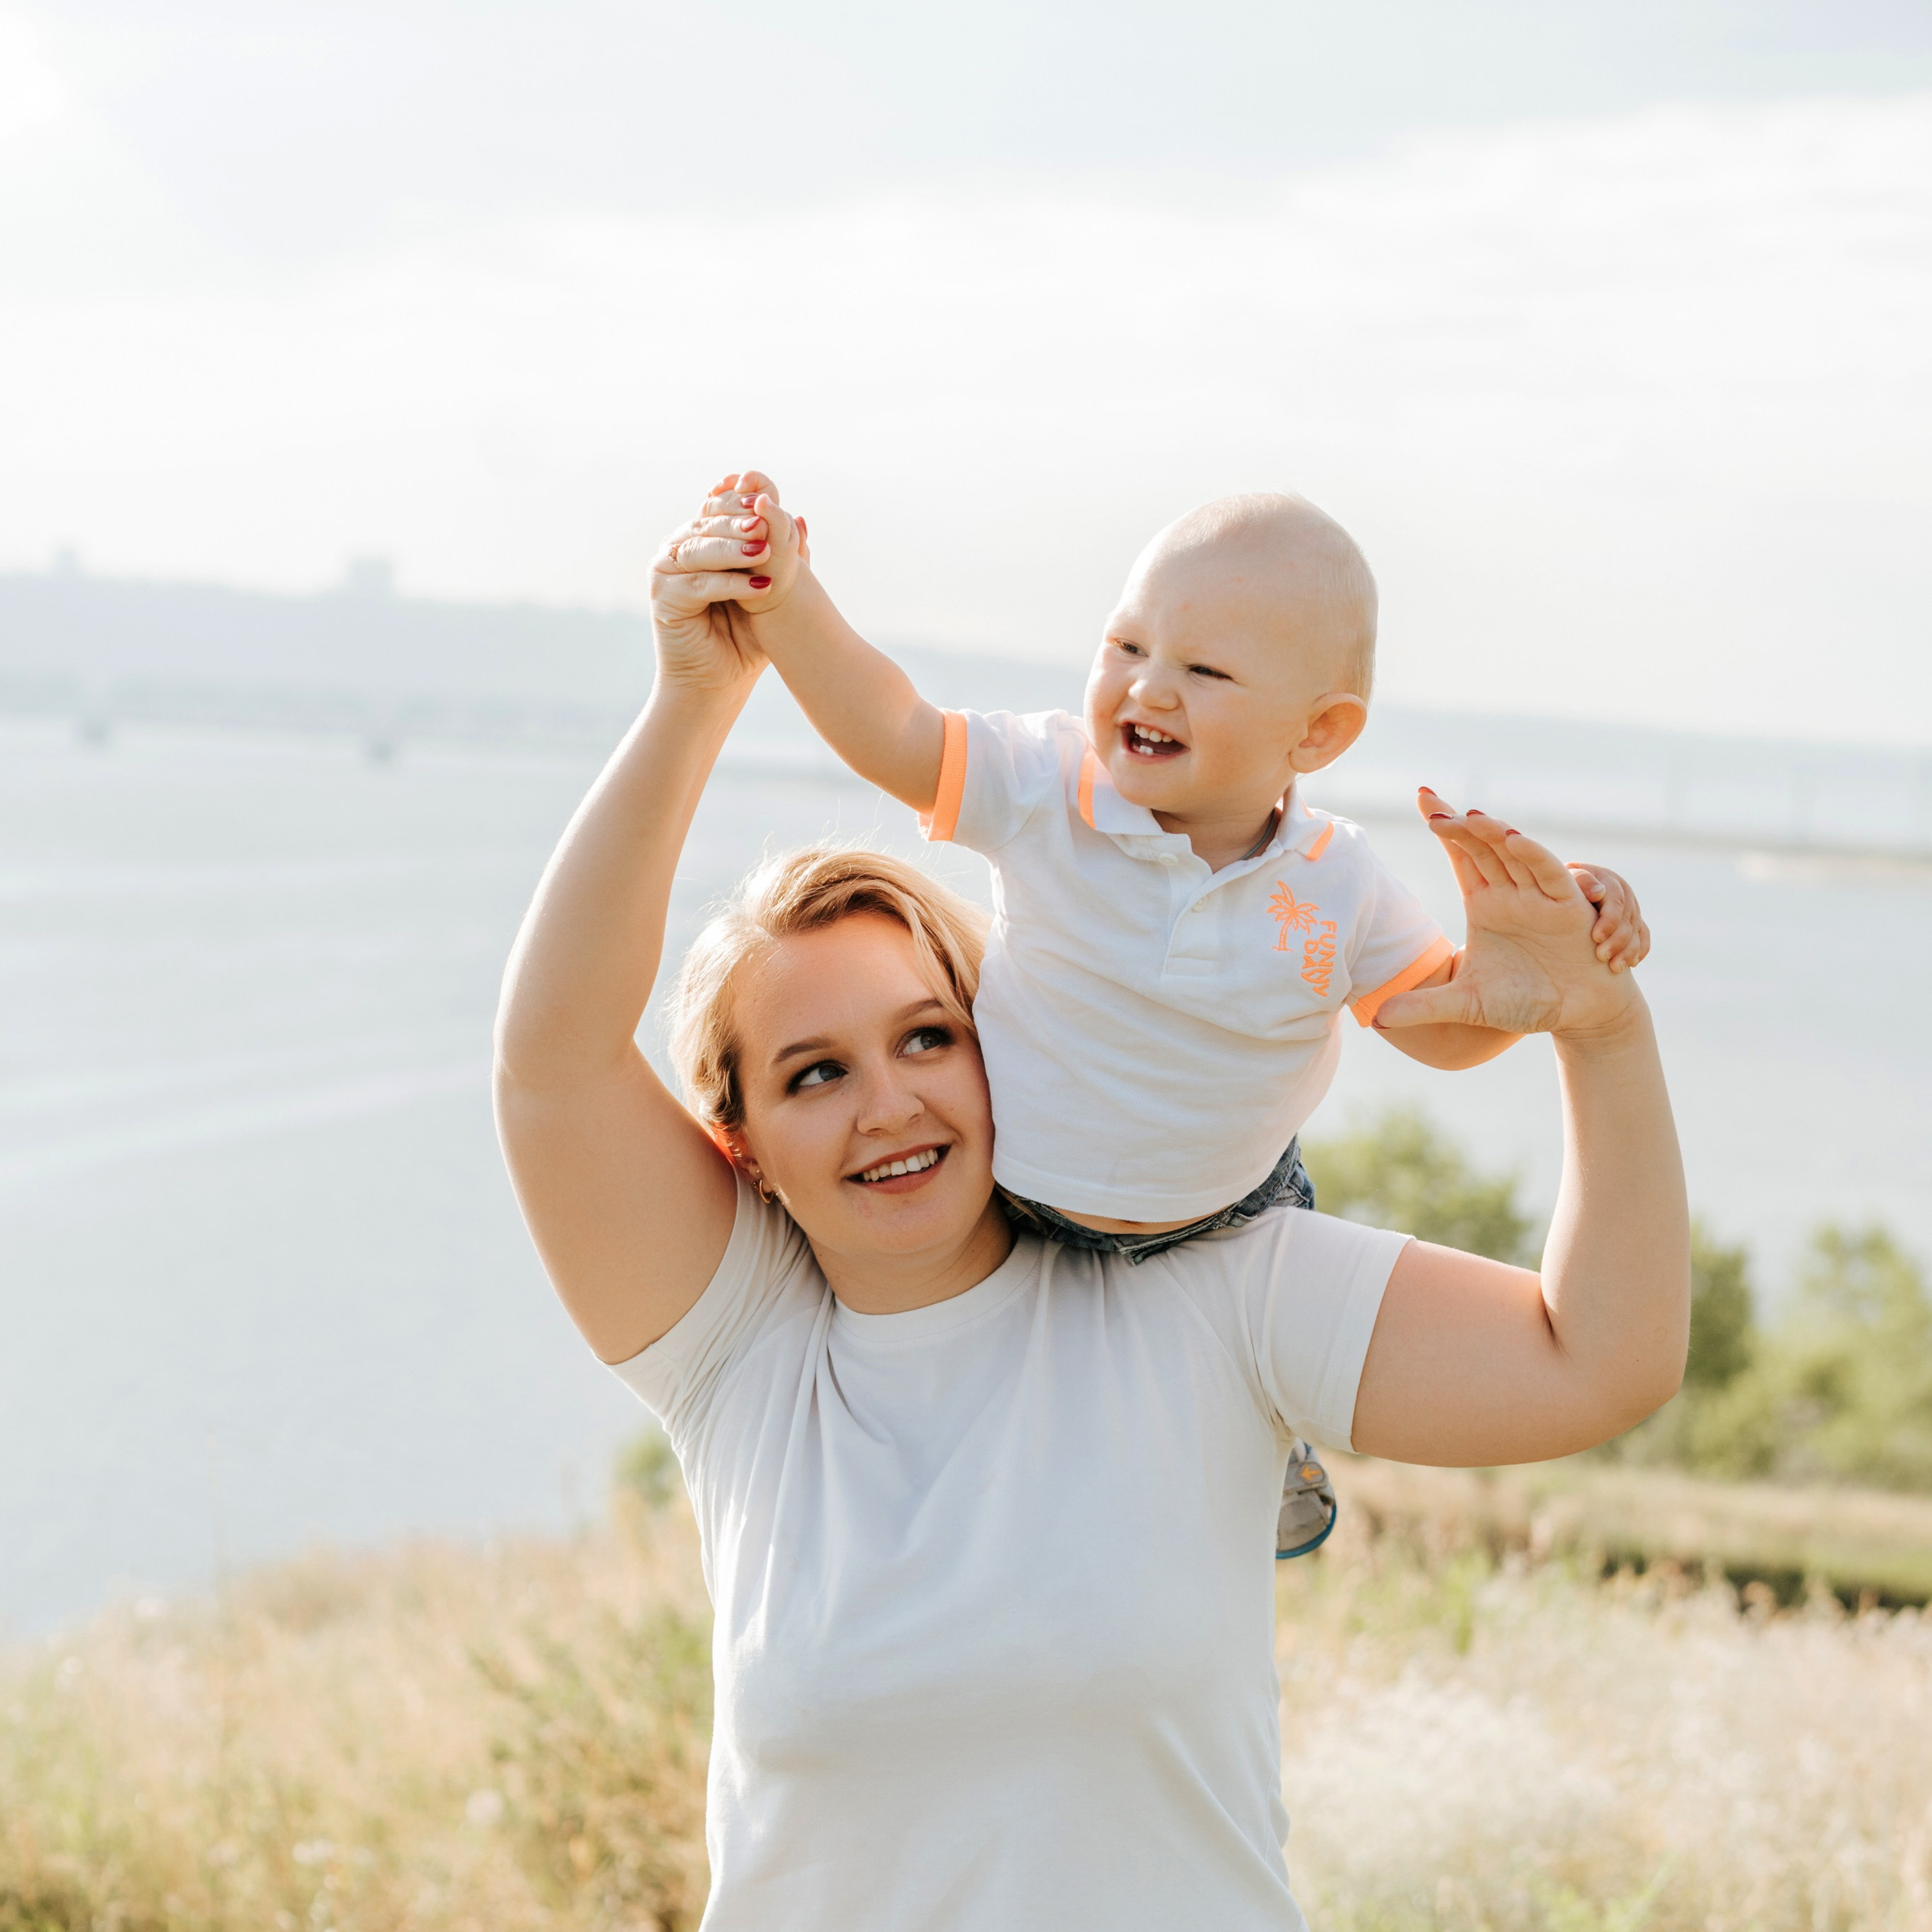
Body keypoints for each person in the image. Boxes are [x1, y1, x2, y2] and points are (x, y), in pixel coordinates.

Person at [491, 498, 1690, 1932]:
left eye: (929, 1035)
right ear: (738, 1145)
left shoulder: (1223, 1288)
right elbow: (554, 1060)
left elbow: (1600, 1359)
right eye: (816, 1074)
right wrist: (699, 694)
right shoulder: (738, 1350)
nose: (890, 1104)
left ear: (1006, 1034)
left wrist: (1598, 1032)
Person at [657, 472, 1649, 1556]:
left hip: (1228, 1211)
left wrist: (1516, 993)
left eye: (1204, 670)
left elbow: (1432, 1022)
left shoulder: (1337, 882)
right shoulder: (1049, 786)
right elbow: (893, 726)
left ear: (1318, 732)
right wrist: (791, 600)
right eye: (1126, 647)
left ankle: (1268, 1439)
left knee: (1255, 1285)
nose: (1148, 690)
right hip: (1019, 1192)